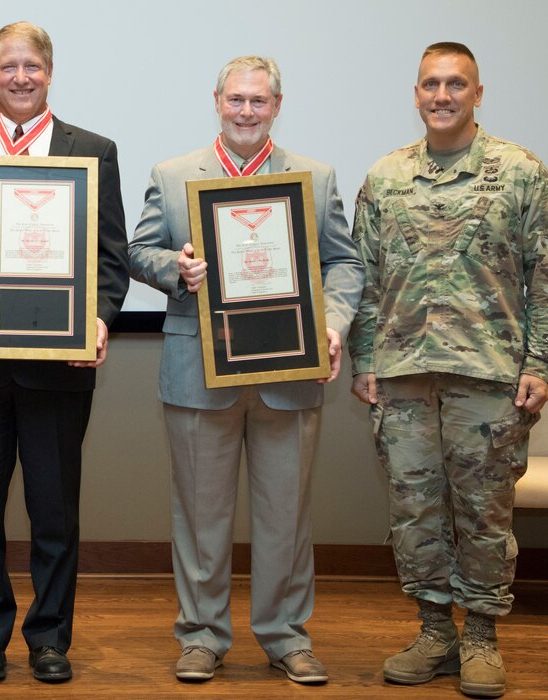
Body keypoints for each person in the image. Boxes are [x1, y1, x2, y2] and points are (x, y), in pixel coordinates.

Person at [349, 42, 548, 698]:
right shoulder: (387, 177)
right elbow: (361, 278)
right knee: (414, 509)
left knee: (482, 510)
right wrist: (364, 359)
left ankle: (480, 635)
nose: (441, 95)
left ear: (478, 93)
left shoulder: (520, 172)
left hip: (489, 374)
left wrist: (541, 363)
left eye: (455, 84)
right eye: (429, 84)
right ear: (416, 93)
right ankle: (434, 633)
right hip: (401, 373)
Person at [127, 56, 363, 685]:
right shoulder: (174, 175)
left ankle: (286, 635)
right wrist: (175, 268)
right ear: (217, 101)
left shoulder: (314, 177)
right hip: (198, 372)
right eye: (236, 100)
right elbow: (137, 251)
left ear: (277, 106)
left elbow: (344, 265)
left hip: (290, 373)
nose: (246, 111)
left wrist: (332, 324)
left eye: (259, 101)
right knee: (200, 517)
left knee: (286, 515)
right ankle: (202, 635)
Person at [0, 21, 129, 684]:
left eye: (32, 66)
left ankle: (49, 638)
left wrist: (97, 319)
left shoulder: (92, 150)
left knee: (54, 512)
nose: (20, 78)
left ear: (49, 71)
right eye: (8, 66)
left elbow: (110, 257)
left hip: (60, 365)